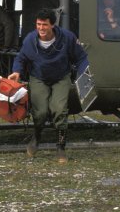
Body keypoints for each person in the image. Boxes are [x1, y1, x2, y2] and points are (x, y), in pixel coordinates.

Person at [8, 8, 89, 163]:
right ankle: (36, 137)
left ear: (52, 25)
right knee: (40, 112)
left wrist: (83, 73)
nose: (41, 28)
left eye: (44, 25)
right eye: (38, 24)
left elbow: (82, 57)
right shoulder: (30, 40)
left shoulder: (67, 38)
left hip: (61, 77)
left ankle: (60, 146)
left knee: (59, 110)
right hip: (38, 77)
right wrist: (16, 71)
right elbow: (21, 58)